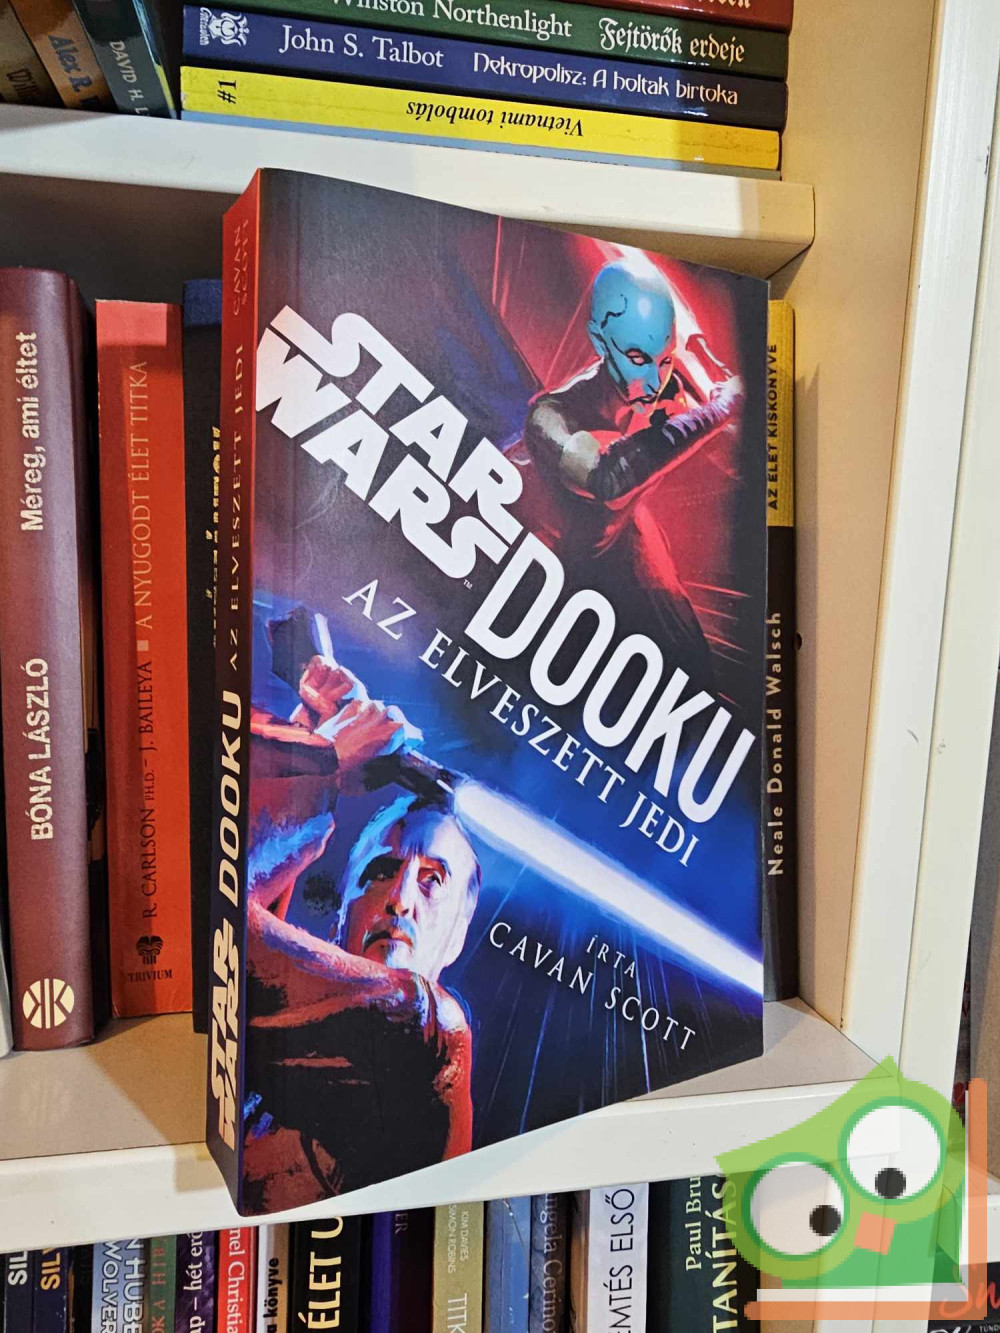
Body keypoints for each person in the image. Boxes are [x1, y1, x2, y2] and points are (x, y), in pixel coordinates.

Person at [241, 655, 481, 1211]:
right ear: (339, 911)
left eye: (433, 881)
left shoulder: (422, 1031)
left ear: (458, 936)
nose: (401, 898)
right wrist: (308, 736)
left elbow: (216, 931)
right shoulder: (311, 1006)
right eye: (380, 872)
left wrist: (321, 760)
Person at [513, 253, 744, 684]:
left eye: (665, 360)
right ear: (600, 342)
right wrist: (719, 409)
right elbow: (607, 477)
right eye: (637, 359)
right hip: (556, 571)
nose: (655, 382)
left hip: (623, 542)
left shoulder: (664, 386)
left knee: (694, 671)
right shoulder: (551, 419)